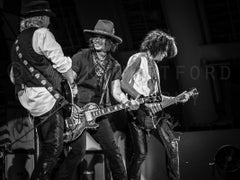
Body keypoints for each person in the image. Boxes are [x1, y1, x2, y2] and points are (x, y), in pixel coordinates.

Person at [62, 19, 138, 180]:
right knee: (78, 151)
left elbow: (116, 92)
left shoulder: (115, 66)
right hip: (77, 113)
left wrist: (127, 102)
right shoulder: (81, 56)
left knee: (113, 151)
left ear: (110, 42)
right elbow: (69, 82)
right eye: (95, 36)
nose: (96, 40)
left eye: (101, 37)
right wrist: (70, 107)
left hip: (99, 113)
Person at [10, 1, 77, 180]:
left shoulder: (17, 42)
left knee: (48, 147)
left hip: (30, 99)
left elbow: (13, 74)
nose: (48, 20)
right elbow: (59, 59)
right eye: (47, 17)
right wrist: (70, 76)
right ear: (40, 17)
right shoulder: (42, 33)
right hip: (47, 98)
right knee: (54, 146)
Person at [121, 29, 190, 180]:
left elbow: (156, 98)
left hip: (155, 114)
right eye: (165, 51)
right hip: (137, 112)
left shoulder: (155, 67)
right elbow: (124, 83)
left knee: (172, 145)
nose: (165, 55)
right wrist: (140, 99)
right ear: (158, 47)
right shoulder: (138, 58)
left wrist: (176, 98)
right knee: (140, 154)